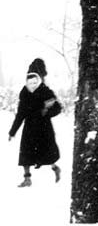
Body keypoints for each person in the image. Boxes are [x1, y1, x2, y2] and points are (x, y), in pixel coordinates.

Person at [8, 58, 62, 188]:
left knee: (46, 152)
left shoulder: (45, 91)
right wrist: (12, 131)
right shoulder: (25, 92)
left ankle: (55, 168)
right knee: (26, 153)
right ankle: (27, 179)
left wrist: (46, 112)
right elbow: (21, 113)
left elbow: (57, 108)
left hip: (44, 127)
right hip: (30, 127)